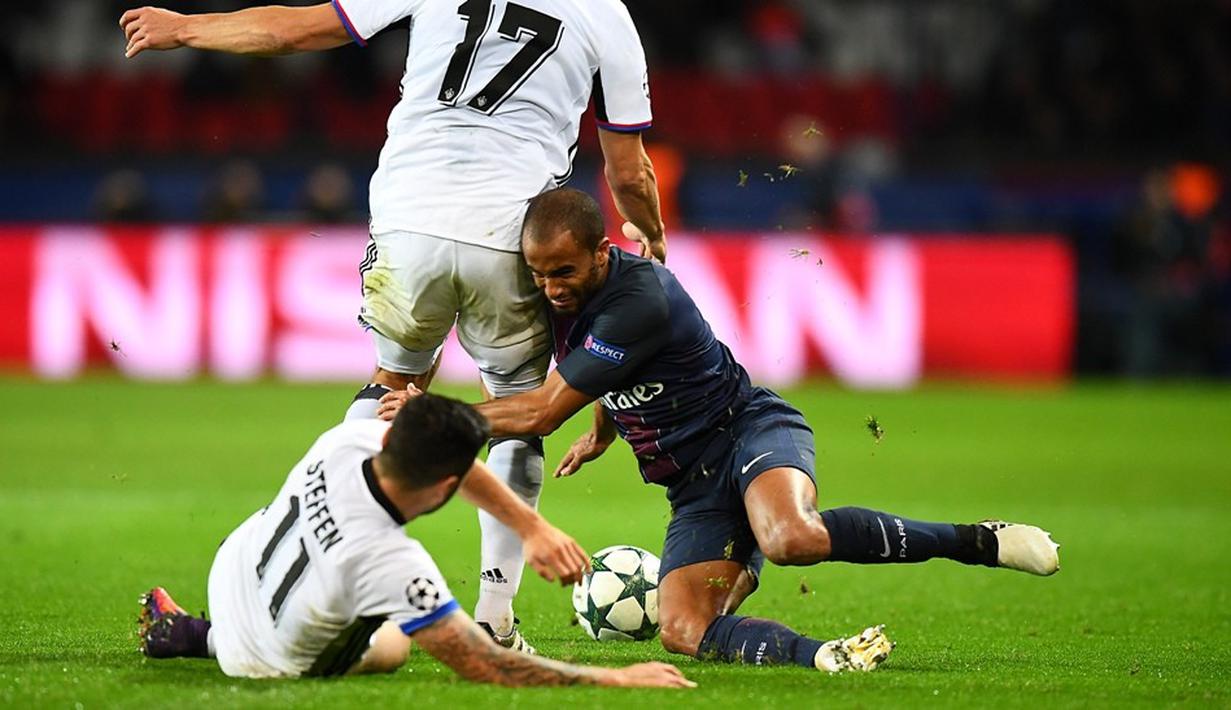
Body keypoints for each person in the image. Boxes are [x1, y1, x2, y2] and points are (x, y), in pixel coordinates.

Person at [119, 0, 667, 651]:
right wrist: (653, 239)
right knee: (514, 406)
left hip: (407, 215)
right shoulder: (605, 14)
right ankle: (494, 615)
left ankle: (308, 562)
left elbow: (299, 29)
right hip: (509, 226)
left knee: (391, 385)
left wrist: (186, 28)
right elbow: (628, 171)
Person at [379, 188, 1062, 673]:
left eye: (562, 271)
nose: (550, 286)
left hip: (747, 430)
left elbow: (539, 411)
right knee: (681, 630)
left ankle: (976, 541)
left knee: (791, 538)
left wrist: (428, 413)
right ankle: (823, 655)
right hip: (691, 484)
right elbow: (597, 375)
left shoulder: (639, 297)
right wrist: (605, 429)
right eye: (537, 273)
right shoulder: (567, 296)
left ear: (601, 252)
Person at [137, 392, 693, 689]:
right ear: (444, 488)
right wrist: (614, 678)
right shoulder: (395, 564)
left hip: (231, 567)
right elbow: (484, 663)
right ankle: (203, 638)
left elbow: (452, 465)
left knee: (325, 585)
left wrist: (532, 527)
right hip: (259, 660)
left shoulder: (348, 439)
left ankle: (194, 629)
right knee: (394, 645)